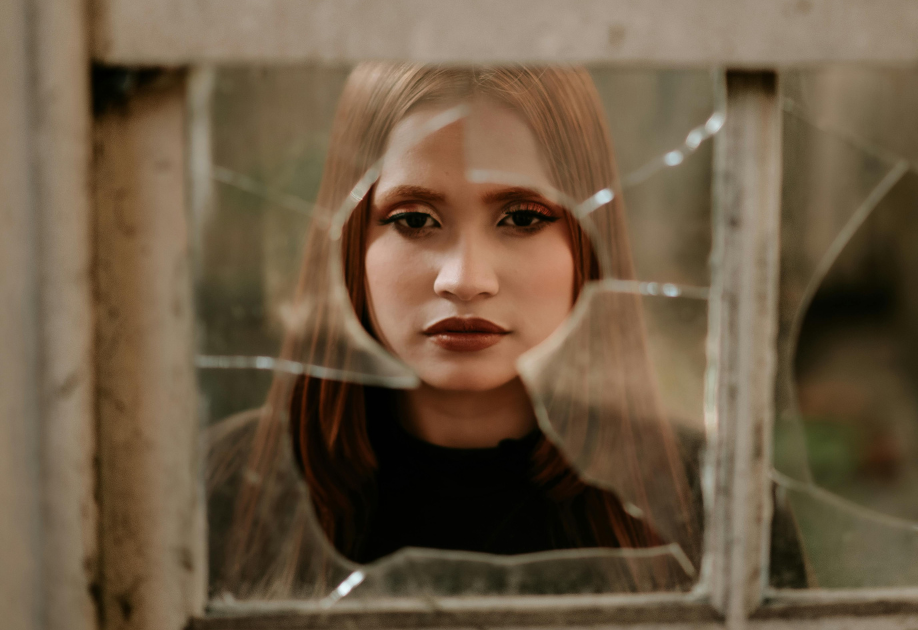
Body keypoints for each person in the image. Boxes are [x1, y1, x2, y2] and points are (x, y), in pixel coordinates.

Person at [205, 64, 703, 599]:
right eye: (415, 220)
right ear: (349, 239)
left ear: (589, 240)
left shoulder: (711, 499)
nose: (465, 280)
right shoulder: (226, 485)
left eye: (522, 218)